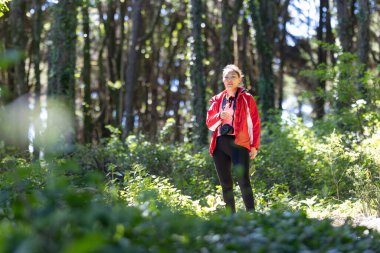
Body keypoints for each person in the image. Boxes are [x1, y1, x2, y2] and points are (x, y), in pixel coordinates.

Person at [206, 64, 260, 213]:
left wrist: (254, 145)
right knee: (225, 183)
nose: (229, 80)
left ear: (239, 79)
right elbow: (210, 124)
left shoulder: (246, 98)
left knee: (243, 180)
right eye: (226, 77)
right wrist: (219, 116)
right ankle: (231, 218)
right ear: (223, 80)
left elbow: (254, 123)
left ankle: (251, 213)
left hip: (239, 143)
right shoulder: (217, 100)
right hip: (219, 144)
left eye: (233, 77)